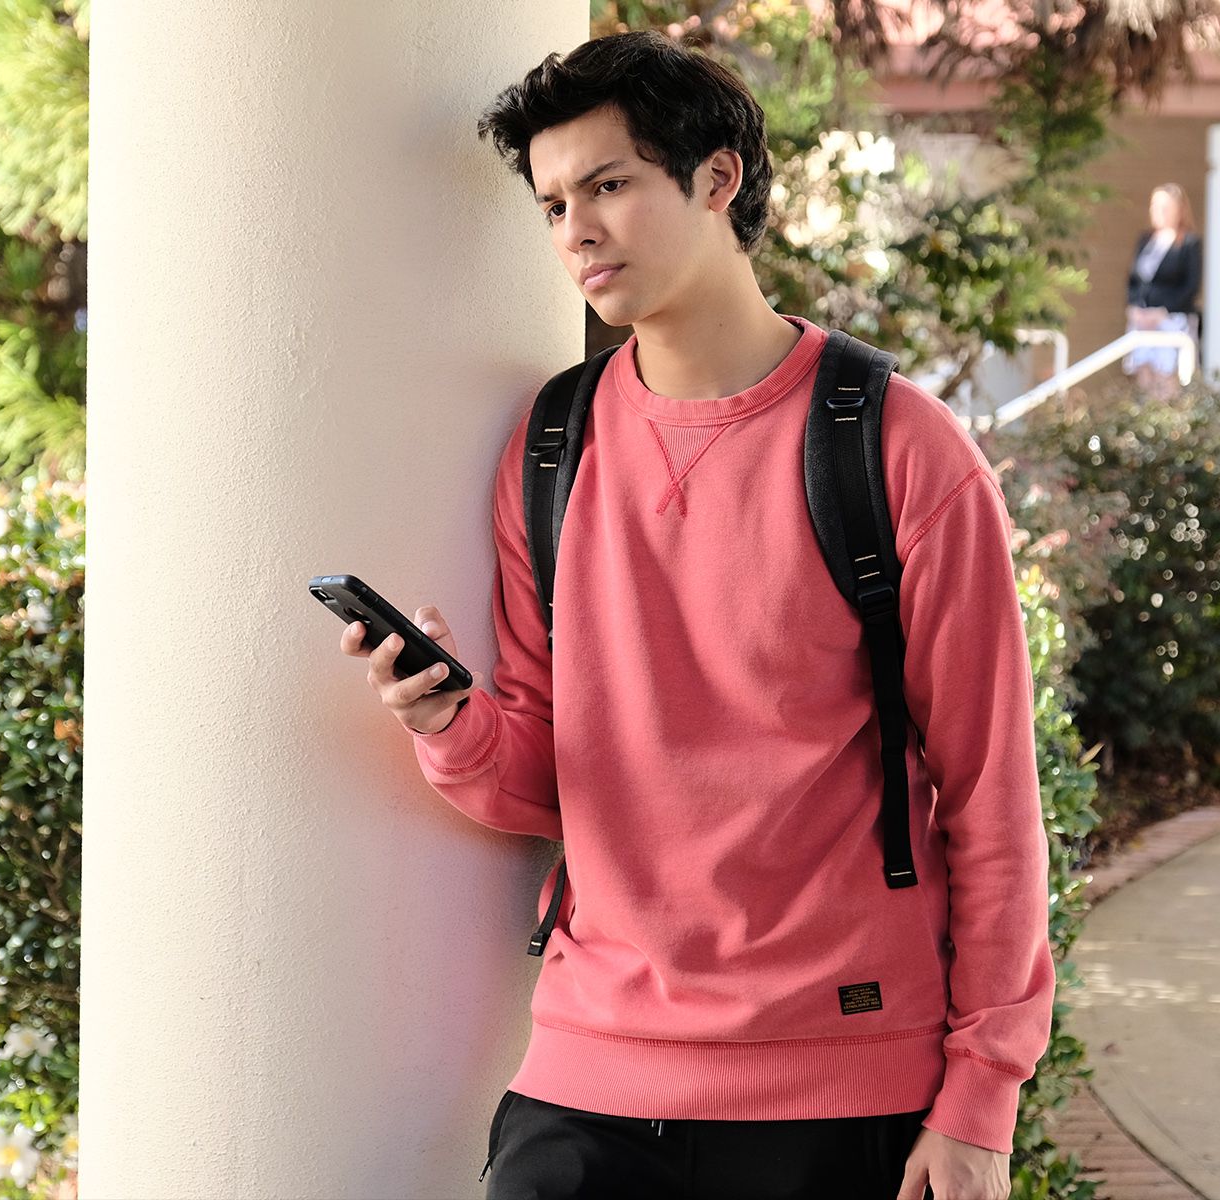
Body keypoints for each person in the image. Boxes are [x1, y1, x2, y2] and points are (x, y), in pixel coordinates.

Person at [338, 30, 1053, 1200]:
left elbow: (990, 799)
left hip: (841, 1081)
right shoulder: (552, 446)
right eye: (553, 204)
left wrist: (982, 1096)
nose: (576, 231)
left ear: (717, 178)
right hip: (590, 1073)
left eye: (608, 185)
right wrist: (448, 723)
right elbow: (549, 778)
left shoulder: (897, 449)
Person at [1123, 182, 1202, 399]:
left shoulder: (1188, 243)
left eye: (1165, 207)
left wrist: (1161, 312)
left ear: (1179, 210)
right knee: (1144, 375)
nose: (1158, 211)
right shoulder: (1146, 240)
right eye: (1154, 206)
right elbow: (1133, 280)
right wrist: (1134, 308)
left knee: (1166, 378)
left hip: (1171, 320)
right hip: (1142, 319)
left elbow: (1191, 286)